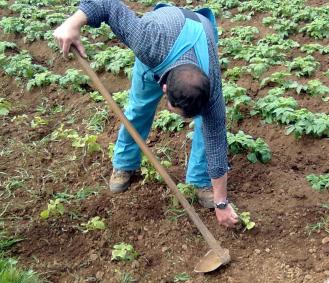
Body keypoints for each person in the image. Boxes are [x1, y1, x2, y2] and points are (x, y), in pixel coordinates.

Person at [54, 1, 238, 228]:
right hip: (163, 38)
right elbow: (107, 5)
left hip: (201, 31)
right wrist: (72, 23)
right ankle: (124, 163)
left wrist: (221, 202)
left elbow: (216, 139)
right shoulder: (148, 41)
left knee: (207, 125)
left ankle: (201, 181)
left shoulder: (211, 87)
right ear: (164, 89)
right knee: (139, 108)